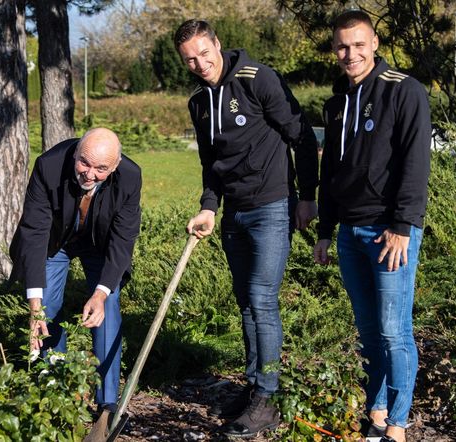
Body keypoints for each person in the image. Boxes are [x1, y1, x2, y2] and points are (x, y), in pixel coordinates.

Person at [174, 19, 319, 437]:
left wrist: (306, 195)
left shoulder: (258, 80)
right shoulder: (198, 103)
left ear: (217, 44)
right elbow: (210, 164)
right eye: (190, 60)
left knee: (261, 298)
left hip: (272, 205)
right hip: (233, 213)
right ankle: (256, 387)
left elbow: (302, 136)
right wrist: (208, 207)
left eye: (204, 53)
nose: (200, 64)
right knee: (245, 303)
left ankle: (268, 398)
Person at [313, 10, 431, 442]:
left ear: (375, 42)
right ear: (334, 49)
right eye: (343, 46)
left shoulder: (405, 91)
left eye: (359, 44)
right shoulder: (336, 102)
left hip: (390, 233)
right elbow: (333, 175)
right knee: (368, 331)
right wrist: (326, 230)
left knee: (393, 330)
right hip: (350, 233)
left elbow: (416, 165)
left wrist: (403, 224)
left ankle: (398, 423)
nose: (351, 53)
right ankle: (377, 414)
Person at [9, 128, 141, 413]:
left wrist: (101, 293)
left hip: (100, 243)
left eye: (101, 168)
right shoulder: (49, 165)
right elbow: (34, 231)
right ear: (76, 153)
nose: (90, 174)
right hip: (56, 241)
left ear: (115, 166)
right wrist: (34, 306)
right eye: (84, 163)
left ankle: (107, 402)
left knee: (107, 305)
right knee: (45, 307)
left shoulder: (130, 176)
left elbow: (123, 239)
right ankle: (56, 391)